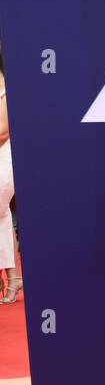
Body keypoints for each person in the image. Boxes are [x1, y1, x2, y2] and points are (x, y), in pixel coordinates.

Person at [0, 43, 19, 305]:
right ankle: (14, 278)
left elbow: (4, 130)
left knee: (1, 210)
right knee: (2, 215)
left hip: (8, 154)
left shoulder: (5, 85)